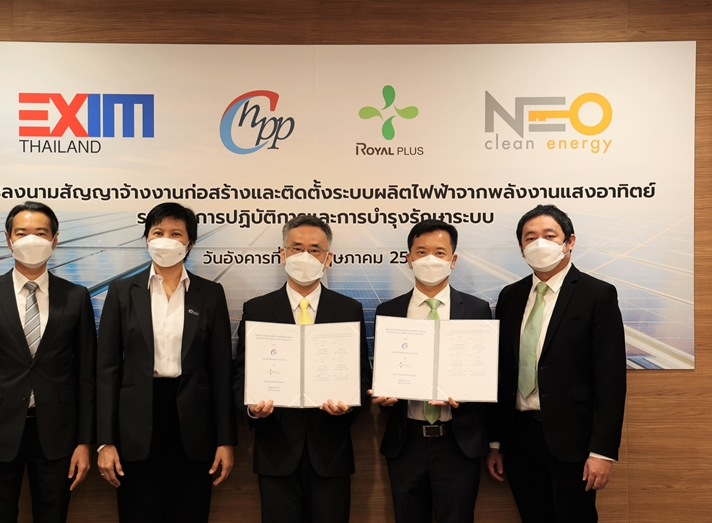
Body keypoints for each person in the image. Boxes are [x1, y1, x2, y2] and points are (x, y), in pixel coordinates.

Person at [0, 201, 96, 523]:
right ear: (8, 239)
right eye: (22, 232)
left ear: (55, 240)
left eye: (41, 233)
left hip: (59, 433)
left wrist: (85, 442)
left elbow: (87, 375)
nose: (31, 239)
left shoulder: (76, 296)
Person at [96, 202, 237, 523]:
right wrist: (105, 441)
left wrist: (226, 440)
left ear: (190, 243)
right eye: (158, 232)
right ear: (146, 238)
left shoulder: (210, 293)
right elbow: (106, 370)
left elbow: (220, 371)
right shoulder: (122, 291)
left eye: (176, 234)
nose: (166, 240)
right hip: (135, 425)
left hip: (195, 426)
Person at [486, 204, 626, 523]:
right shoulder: (510, 296)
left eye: (549, 236)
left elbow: (611, 379)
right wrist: (496, 443)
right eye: (530, 237)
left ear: (569, 241)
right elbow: (501, 372)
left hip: (573, 441)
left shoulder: (597, 294)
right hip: (519, 438)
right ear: (521, 247)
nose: (539, 243)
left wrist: (602, 451)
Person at [232, 215, 372, 523]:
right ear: (282, 254)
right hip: (276, 451)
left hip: (331, 452)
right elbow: (241, 374)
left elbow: (363, 374)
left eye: (315, 249)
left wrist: (348, 406)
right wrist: (252, 409)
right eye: (297, 248)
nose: (305, 256)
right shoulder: (257, 309)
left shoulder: (348, 309)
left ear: (328, 258)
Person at [369, 220, 491, 523]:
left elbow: (490, 374)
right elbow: (384, 371)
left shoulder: (476, 309)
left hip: (457, 443)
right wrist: (384, 396)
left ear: (453, 260)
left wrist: (468, 394)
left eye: (439, 252)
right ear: (409, 259)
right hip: (406, 442)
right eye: (421, 252)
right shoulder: (389, 311)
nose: (430, 260)